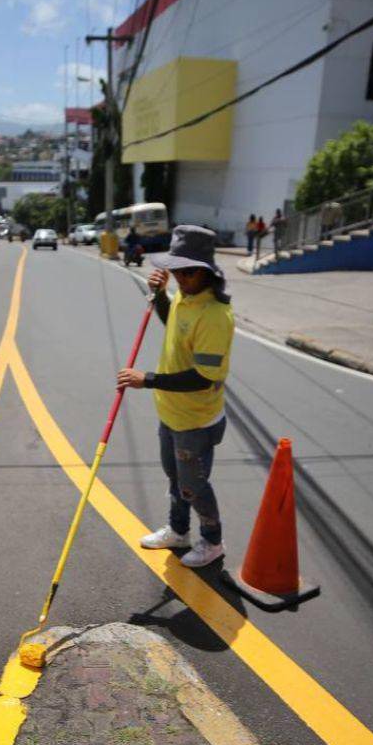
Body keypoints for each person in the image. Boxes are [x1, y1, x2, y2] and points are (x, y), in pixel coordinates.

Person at [116, 226, 235, 568]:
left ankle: (212, 541)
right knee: (175, 476)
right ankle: (179, 530)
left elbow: (203, 377)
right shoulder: (186, 295)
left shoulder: (214, 315)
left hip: (196, 420)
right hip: (172, 412)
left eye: (189, 271)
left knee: (193, 485)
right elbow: (174, 325)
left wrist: (148, 379)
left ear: (208, 271)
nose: (182, 277)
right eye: (177, 269)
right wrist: (162, 297)